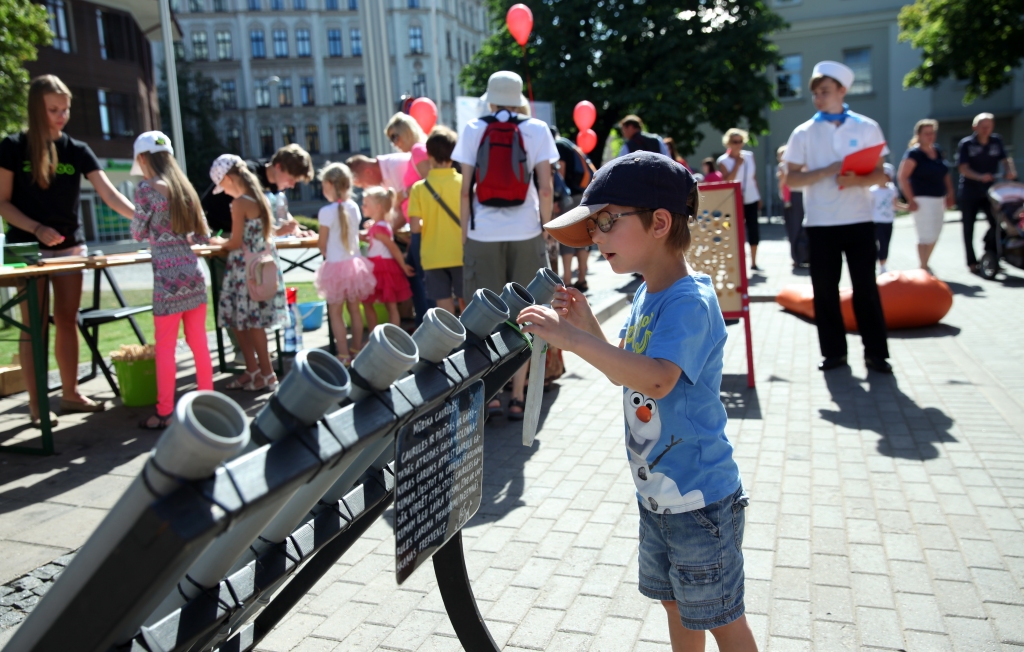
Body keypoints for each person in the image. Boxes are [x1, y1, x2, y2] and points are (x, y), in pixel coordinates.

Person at [518, 151, 756, 652]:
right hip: (659, 498)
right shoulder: (648, 293)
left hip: (699, 500)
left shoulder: (687, 302)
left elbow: (657, 381)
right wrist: (586, 326)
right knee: (676, 604)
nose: (597, 237)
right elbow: (625, 369)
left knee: (719, 617)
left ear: (660, 223)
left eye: (605, 221)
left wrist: (573, 340)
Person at [0, 75, 135, 426]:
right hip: (24, 247)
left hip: (70, 246)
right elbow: (2, 203)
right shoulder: (12, 146)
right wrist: (36, 228)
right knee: (34, 327)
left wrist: (146, 218)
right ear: (36, 109)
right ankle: (36, 405)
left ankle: (71, 394)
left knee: (66, 320)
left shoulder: (77, 150)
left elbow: (109, 194)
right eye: (53, 109)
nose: (62, 116)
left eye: (66, 109)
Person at [452, 70, 557, 421]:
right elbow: (545, 188)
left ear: (491, 98)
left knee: (484, 318)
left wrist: (466, 235)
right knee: (526, 314)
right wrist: (545, 228)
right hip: (526, 230)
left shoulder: (473, 128)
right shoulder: (537, 129)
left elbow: (464, 189)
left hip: (483, 234)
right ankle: (517, 395)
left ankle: (490, 395)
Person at [783, 61, 892, 374]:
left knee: (866, 289)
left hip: (859, 219)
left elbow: (881, 174)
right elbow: (791, 179)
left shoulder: (866, 126)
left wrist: (857, 179)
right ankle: (834, 353)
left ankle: (876, 354)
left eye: (825, 92)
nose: (819, 97)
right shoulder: (804, 132)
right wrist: (826, 171)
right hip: (820, 223)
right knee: (825, 291)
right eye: (815, 93)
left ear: (842, 91)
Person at [129, 132, 214, 429]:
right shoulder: (185, 190)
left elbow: (137, 232)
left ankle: (164, 412)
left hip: (167, 279)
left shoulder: (146, 189)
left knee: (165, 347)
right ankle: (208, 403)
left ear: (142, 158)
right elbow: (203, 235)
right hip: (194, 273)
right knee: (199, 342)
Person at [200, 144, 314, 362]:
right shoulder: (248, 176)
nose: (290, 185)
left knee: (250, 300)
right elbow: (252, 223)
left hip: (239, 243)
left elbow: (270, 216)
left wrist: (294, 229)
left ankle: (256, 357)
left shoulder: (266, 184)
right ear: (278, 166)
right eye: (291, 179)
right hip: (221, 233)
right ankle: (245, 353)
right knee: (233, 297)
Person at [208, 154, 288, 391]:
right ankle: (256, 371)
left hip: (244, 270)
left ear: (230, 179)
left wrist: (216, 243)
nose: (222, 191)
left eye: (222, 185)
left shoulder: (240, 202)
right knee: (249, 322)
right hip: (259, 266)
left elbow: (235, 242)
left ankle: (265, 373)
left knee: (248, 323)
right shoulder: (261, 198)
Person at [314, 162, 376, 363]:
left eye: (324, 186)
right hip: (354, 264)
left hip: (335, 266)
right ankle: (356, 350)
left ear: (331, 184)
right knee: (354, 309)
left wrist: (326, 251)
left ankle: (342, 354)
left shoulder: (326, 211)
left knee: (335, 312)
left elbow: (322, 243)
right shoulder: (353, 207)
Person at [408, 127, 464, 313]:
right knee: (468, 303)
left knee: (444, 308)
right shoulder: (464, 183)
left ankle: (452, 342)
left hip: (433, 256)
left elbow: (415, 227)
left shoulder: (418, 189)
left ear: (429, 155)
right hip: (461, 251)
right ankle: (473, 340)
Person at [956, 112, 1017, 273]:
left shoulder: (996, 141)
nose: (986, 129)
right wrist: (979, 176)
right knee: (968, 227)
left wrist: (1010, 171)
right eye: (983, 126)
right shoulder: (967, 144)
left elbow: (1005, 159)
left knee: (997, 223)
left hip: (990, 191)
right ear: (975, 127)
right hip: (970, 191)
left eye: (988, 126)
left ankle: (992, 255)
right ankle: (971, 262)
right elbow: (963, 168)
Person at [386, 112, 431, 326]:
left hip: (422, 225)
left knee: (421, 281)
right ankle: (425, 324)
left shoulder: (418, 150)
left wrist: (404, 193)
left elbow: (431, 182)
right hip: (418, 225)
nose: (394, 143)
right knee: (417, 277)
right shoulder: (416, 152)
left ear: (406, 132)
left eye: (395, 137)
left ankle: (427, 325)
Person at [897, 119, 955, 271]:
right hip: (922, 199)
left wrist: (950, 193)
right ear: (919, 135)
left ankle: (925, 264)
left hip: (938, 197)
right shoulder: (914, 154)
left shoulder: (938, 151)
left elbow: (945, 174)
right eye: (927, 133)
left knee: (936, 232)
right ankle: (923, 267)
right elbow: (902, 177)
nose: (930, 136)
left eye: (932, 133)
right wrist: (910, 200)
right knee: (925, 234)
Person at [361, 186, 414, 329]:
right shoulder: (380, 225)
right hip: (379, 266)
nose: (362, 207)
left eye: (366, 204)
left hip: (381, 267)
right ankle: (386, 337)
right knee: (387, 305)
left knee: (380, 304)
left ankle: (382, 336)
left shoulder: (379, 228)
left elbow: (393, 247)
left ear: (377, 207)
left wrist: (403, 266)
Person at [553, 127, 598, 291]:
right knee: (581, 235)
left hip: (570, 196)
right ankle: (582, 279)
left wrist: (557, 196)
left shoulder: (558, 145)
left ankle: (567, 280)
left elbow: (561, 170)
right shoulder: (571, 145)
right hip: (583, 195)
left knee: (567, 236)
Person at [718, 129, 763, 271]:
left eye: (740, 141)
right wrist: (737, 164)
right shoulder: (723, 160)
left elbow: (753, 177)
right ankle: (736, 260)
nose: (738, 145)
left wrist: (759, 195)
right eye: (735, 142)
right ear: (729, 143)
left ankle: (753, 262)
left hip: (751, 197)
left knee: (753, 229)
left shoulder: (749, 156)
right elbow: (727, 180)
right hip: (733, 199)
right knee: (732, 229)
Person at [777, 145, 808, 267]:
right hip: (793, 197)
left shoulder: (804, 163)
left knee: (805, 228)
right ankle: (797, 257)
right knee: (794, 228)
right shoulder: (784, 167)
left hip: (805, 195)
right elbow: (783, 185)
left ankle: (805, 255)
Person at [870, 163, 901, 275]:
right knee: (874, 245)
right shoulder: (872, 190)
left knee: (885, 244)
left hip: (888, 221)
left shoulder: (892, 190)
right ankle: (871, 266)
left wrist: (908, 207)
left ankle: (883, 266)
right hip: (876, 221)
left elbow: (895, 204)